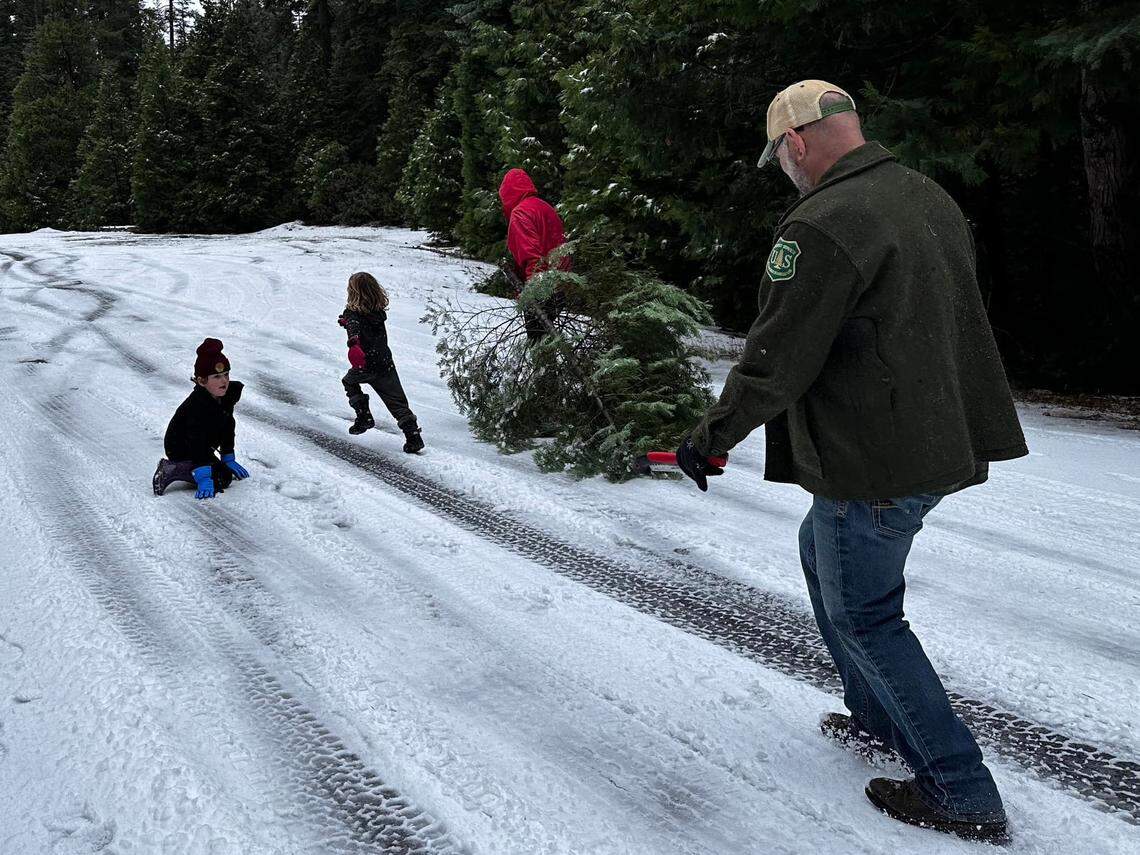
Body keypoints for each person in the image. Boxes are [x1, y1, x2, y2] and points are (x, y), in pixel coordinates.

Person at [676, 80, 1027, 843]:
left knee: (866, 615)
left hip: (875, 459)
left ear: (796, 144)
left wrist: (711, 435)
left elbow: (775, 358)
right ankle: (877, 716)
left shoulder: (823, 222)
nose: (784, 171)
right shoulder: (923, 194)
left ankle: (959, 788)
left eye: (781, 158)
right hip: (938, 441)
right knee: (820, 552)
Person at [153, 338, 251, 499]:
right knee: (221, 478)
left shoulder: (226, 397)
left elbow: (228, 426)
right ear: (201, 381)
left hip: (204, 444)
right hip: (181, 447)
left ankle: (199, 466)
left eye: (226, 374)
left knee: (223, 473)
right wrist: (203, 474)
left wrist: (228, 456)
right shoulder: (197, 405)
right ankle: (172, 468)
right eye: (217, 377)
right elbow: (196, 439)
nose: (224, 381)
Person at [339, 271, 424, 454]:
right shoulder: (378, 312)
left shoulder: (353, 313)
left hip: (365, 364)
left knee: (349, 382)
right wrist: (346, 322)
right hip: (385, 362)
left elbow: (355, 328)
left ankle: (364, 416)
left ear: (353, 292)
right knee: (397, 402)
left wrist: (353, 341)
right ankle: (413, 437)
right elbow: (359, 323)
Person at [498, 168, 570, 343]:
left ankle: (545, 370)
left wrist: (532, 294)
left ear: (507, 193)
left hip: (541, 289)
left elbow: (532, 257)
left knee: (538, 346)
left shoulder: (520, 213)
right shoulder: (545, 207)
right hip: (560, 285)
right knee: (548, 342)